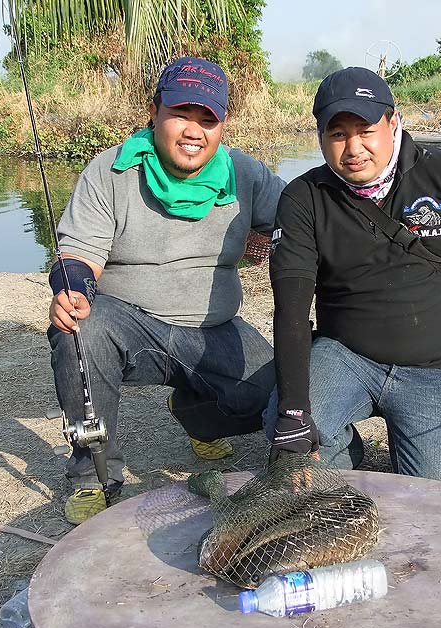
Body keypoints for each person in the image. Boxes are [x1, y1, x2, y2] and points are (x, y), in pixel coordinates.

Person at [49, 57, 285, 524]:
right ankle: (91, 476)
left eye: (207, 120)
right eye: (181, 114)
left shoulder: (246, 174)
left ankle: (193, 411)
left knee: (278, 394)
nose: (193, 131)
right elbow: (77, 251)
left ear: (222, 126)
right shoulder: (110, 171)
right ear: (154, 111)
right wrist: (73, 288)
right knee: (80, 330)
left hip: (214, 327)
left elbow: (305, 216)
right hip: (128, 319)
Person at [265, 67, 441, 488]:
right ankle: (345, 450)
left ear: (393, 122)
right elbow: (290, 305)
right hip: (345, 356)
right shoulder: (302, 197)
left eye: (365, 129)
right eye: (337, 134)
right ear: (321, 138)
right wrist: (293, 410)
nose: (353, 148)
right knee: (291, 448)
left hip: (433, 367)